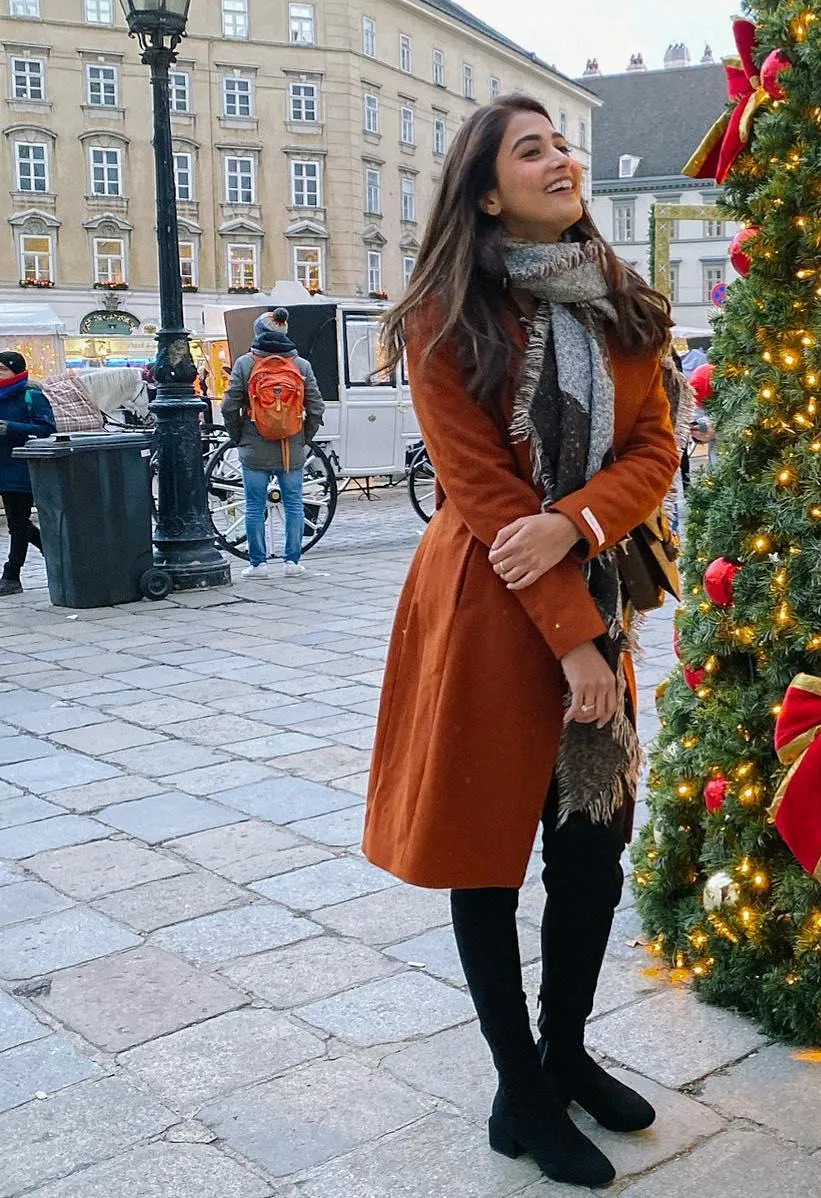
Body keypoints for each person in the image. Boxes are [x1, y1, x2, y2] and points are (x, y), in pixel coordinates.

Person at [364, 95, 678, 1189]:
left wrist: (580, 519)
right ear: (488, 192)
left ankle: (562, 1054)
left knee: (590, 848)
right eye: (531, 149)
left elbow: (656, 448)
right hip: (487, 607)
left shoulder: (628, 304)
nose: (562, 159)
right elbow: (484, 493)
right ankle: (523, 1086)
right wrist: (576, 643)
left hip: (587, 573)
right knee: (487, 853)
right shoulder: (445, 317)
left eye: (563, 144)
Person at [220, 316, 323, 579]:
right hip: (291, 447)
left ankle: (258, 565)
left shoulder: (245, 364)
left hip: (254, 447)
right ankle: (292, 563)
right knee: (294, 505)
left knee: (254, 506)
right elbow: (316, 406)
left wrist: (238, 436)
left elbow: (229, 406)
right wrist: (303, 437)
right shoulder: (301, 365)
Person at [0, 351, 56, 594]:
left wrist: (11, 428)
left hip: (21, 468)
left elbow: (47, 428)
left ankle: (12, 576)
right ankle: (54, 549)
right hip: (2, 467)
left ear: (16, 370)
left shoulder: (31, 395)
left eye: (2, 369)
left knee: (18, 523)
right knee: (19, 523)